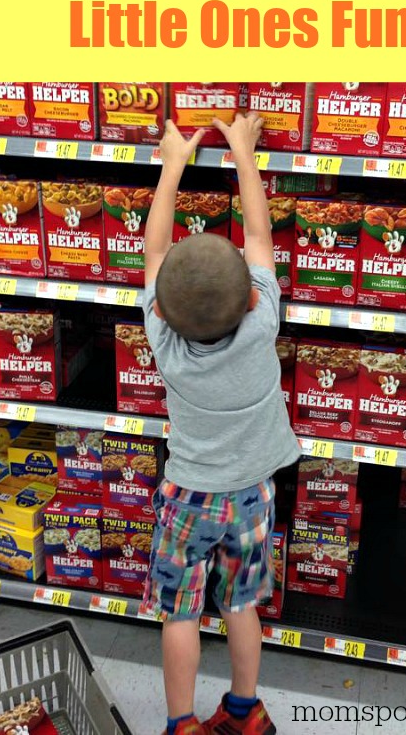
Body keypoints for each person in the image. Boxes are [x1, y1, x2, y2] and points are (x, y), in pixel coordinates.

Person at [143, 111, 300, 735]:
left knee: (179, 614)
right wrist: (243, 152)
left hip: (187, 499)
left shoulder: (166, 343)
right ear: (254, 296)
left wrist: (174, 162)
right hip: (253, 496)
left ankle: (182, 724)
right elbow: (260, 237)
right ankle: (246, 709)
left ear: (164, 310)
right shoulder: (263, 325)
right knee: (241, 604)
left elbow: (154, 249)